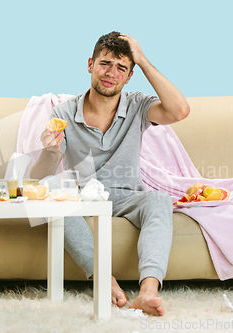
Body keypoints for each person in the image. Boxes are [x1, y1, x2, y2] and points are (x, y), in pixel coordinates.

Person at [30, 31, 190, 316]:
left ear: (129, 76)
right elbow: (39, 177)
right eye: (105, 64)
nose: (111, 73)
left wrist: (142, 59)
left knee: (159, 200)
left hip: (127, 196)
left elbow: (179, 111)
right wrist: (50, 151)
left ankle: (148, 291)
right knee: (51, 190)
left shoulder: (138, 105)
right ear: (90, 64)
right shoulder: (64, 112)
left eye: (121, 68)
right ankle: (104, 280)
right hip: (81, 196)